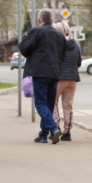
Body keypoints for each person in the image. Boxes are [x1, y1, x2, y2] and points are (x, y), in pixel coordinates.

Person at [19, 10, 67, 144]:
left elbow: (23, 48)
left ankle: (53, 128)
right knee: (49, 105)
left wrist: (26, 38)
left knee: (40, 104)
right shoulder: (59, 35)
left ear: (40, 21)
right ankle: (43, 135)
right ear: (52, 21)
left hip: (39, 73)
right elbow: (63, 56)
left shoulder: (36, 31)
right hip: (55, 73)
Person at [52, 22, 82, 142]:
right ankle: (67, 131)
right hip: (72, 79)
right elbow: (79, 63)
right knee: (68, 106)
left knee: (53, 104)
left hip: (59, 78)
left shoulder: (56, 45)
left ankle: (56, 127)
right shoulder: (76, 46)